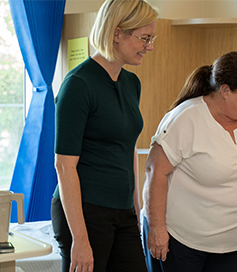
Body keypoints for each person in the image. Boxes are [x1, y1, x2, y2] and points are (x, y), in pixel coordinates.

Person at [142, 51, 237, 272]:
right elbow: (154, 172)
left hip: (234, 244)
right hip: (183, 240)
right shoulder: (187, 118)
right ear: (225, 90)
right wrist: (157, 228)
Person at [51, 1, 158, 271]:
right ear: (117, 33)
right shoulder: (78, 85)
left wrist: (134, 207)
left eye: (151, 38)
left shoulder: (131, 83)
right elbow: (64, 166)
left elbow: (128, 147)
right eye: (144, 38)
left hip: (122, 209)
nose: (150, 46)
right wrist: (80, 239)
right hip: (85, 211)